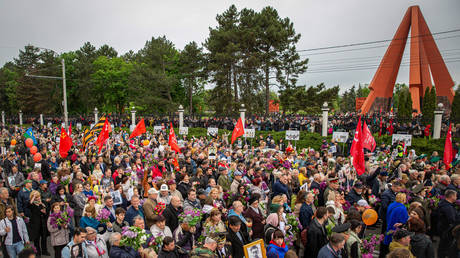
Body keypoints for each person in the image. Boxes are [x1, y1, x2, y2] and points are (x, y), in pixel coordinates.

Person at [436, 189, 458, 258]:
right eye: (456, 196)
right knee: (445, 246)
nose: (456, 198)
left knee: (442, 246)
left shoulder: (443, 203)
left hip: (442, 228)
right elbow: (452, 219)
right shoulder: (448, 207)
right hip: (446, 230)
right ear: (452, 196)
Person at [28, 190, 49, 256]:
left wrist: (45, 212)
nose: (38, 198)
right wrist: (33, 197)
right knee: (36, 239)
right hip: (35, 224)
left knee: (44, 238)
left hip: (43, 223)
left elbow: (47, 211)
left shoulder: (42, 202)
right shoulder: (32, 204)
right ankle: (37, 252)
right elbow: (29, 205)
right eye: (37, 197)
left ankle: (44, 251)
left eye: (39, 196)